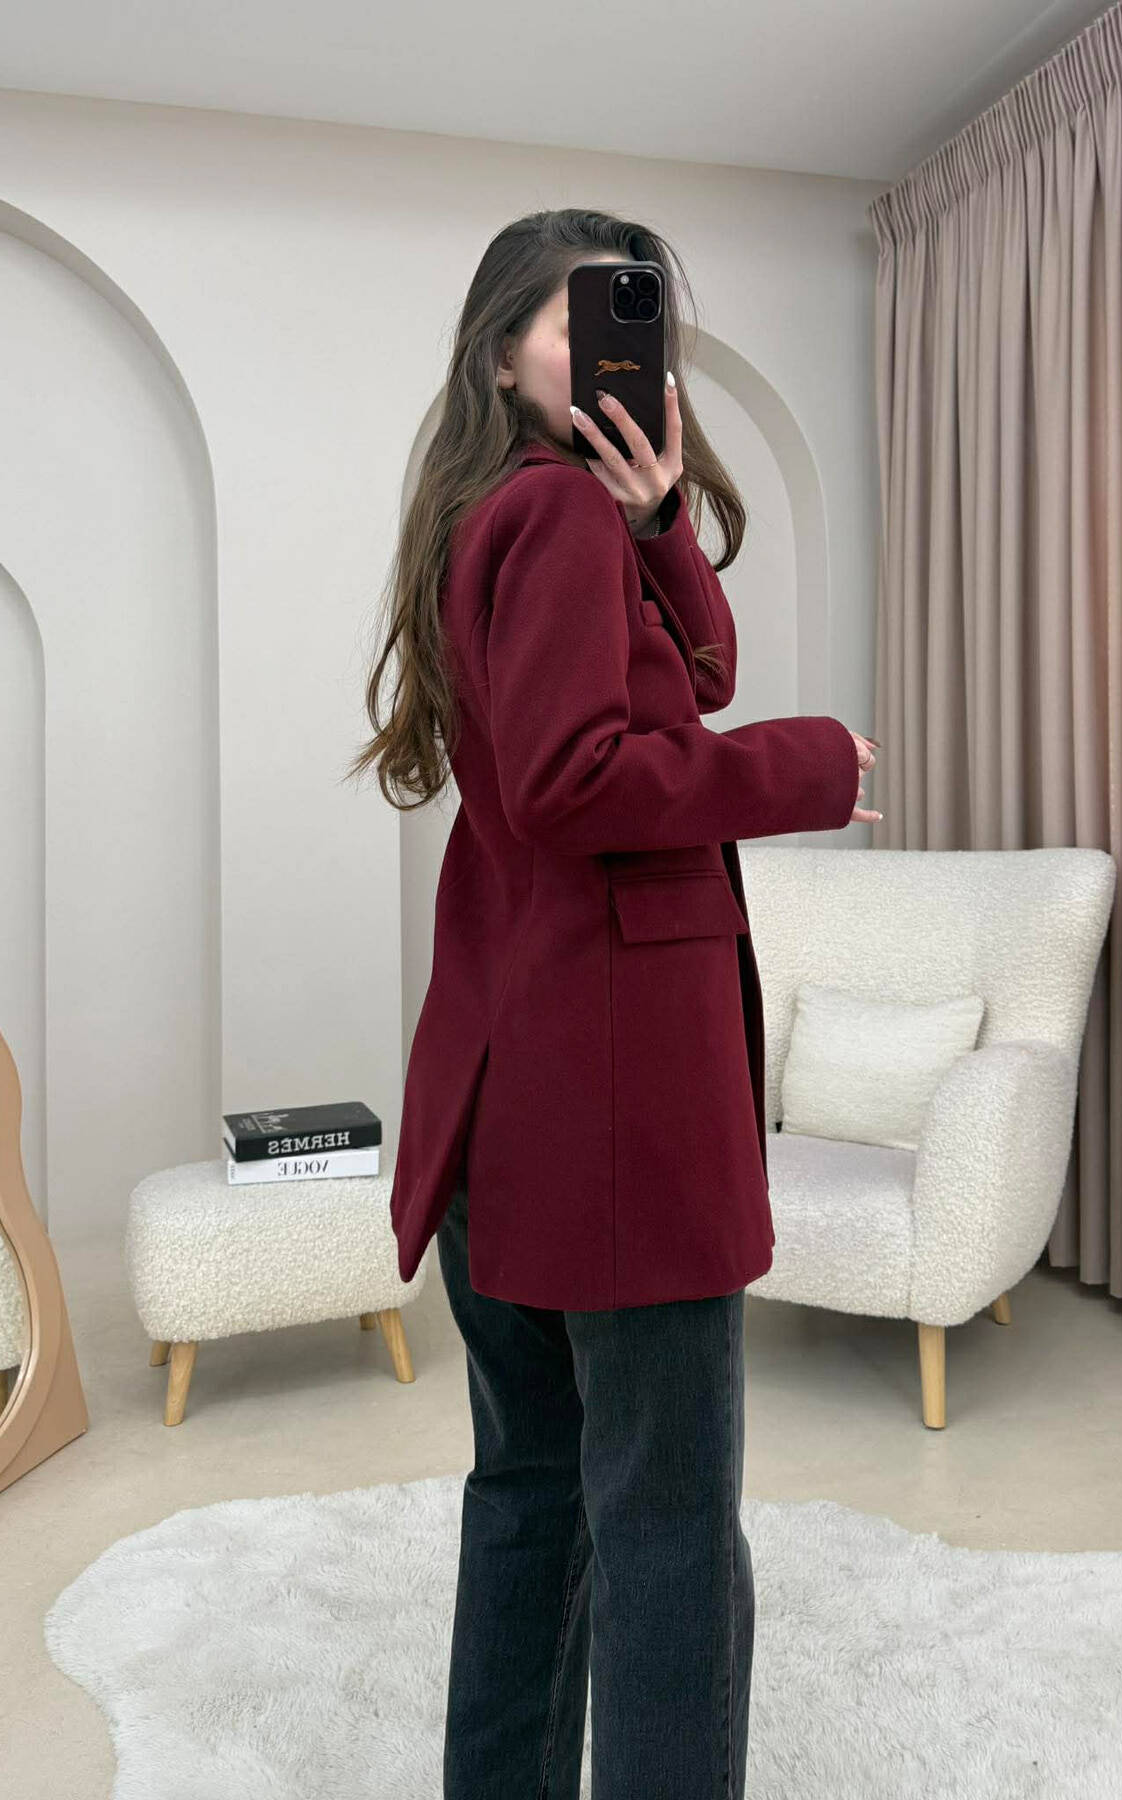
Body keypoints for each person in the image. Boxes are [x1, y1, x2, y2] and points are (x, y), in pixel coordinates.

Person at [347, 208, 880, 1800]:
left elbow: (690, 682)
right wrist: (806, 769)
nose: (609, 350)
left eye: (632, 319)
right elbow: (585, 779)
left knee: (535, 1500)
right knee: (666, 1535)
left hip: (516, 1101)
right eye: (575, 321)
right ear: (503, 353)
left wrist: (657, 523)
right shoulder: (554, 517)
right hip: (619, 1112)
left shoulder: (514, 516)